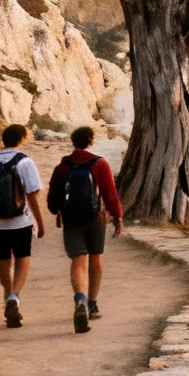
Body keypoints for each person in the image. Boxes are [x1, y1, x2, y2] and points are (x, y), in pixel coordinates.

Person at [47, 126, 122, 334]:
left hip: (71, 220)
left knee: (78, 261)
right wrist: (117, 217)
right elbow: (109, 193)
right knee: (95, 260)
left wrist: (59, 212)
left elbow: (53, 200)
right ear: (91, 141)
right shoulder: (99, 163)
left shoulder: (63, 166)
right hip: (95, 220)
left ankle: (79, 299)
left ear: (73, 142)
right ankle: (92, 303)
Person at [0, 124, 45, 328]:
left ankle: (7, 298)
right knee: (23, 260)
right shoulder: (25, 162)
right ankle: (14, 298)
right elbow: (32, 195)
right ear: (22, 138)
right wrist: (39, 222)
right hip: (20, 221)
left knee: (4, 261)